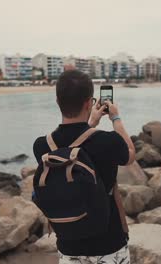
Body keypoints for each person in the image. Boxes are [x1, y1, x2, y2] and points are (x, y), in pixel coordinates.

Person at [33, 70, 135, 264]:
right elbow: (130, 153)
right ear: (89, 103)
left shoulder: (42, 146)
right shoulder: (108, 142)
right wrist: (115, 118)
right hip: (109, 242)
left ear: (57, 101)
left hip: (68, 244)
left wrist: (92, 121)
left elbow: (71, 146)